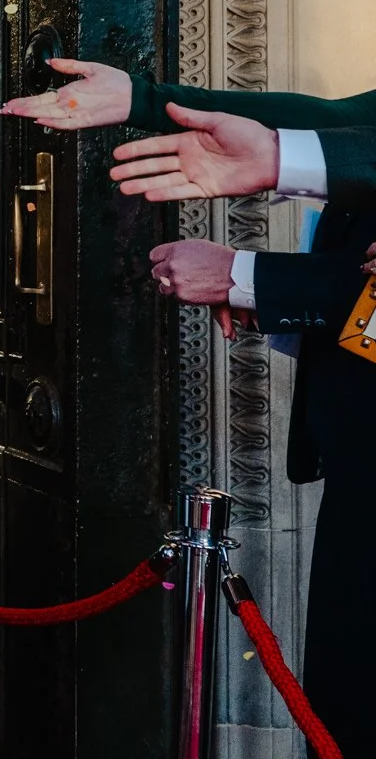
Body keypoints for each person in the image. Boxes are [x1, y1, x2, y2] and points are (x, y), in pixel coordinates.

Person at [81, 84, 376, 759]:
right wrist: (142, 98)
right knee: (343, 709)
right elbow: (340, 124)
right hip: (357, 463)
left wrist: (247, 276)